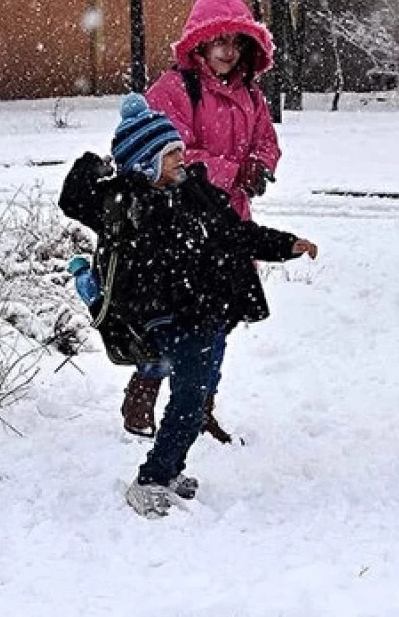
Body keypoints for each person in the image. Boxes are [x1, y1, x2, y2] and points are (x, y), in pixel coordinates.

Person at [61, 94, 317, 518]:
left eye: (179, 149)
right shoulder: (125, 204)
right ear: (145, 162)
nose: (181, 157)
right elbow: (74, 200)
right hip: (169, 316)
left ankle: (171, 466)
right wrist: (98, 164)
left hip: (209, 310)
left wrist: (287, 244)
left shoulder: (197, 194)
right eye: (169, 153)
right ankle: (151, 479)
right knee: (190, 399)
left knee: (197, 396)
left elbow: (239, 233)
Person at [126, 0, 281, 444]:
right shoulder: (174, 89)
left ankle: (199, 406)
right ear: (200, 42)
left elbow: (267, 141)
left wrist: (261, 167)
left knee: (221, 320)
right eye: (220, 42)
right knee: (176, 320)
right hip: (181, 226)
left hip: (230, 223)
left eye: (236, 43)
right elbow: (166, 156)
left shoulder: (251, 94)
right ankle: (147, 386)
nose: (228, 52)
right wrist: (232, 171)